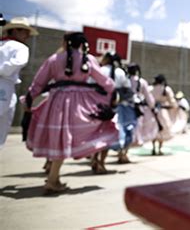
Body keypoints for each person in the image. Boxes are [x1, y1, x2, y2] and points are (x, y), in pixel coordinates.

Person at [24, 32, 117, 193]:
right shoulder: (88, 60)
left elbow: (39, 82)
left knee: (58, 138)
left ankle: (53, 178)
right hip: (79, 105)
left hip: (56, 101)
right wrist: (113, 94)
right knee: (70, 137)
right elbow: (104, 81)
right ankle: (53, 179)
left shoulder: (54, 59)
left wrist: (29, 98)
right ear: (82, 44)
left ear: (65, 42)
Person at [0, 16, 38, 149]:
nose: (28, 35)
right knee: (2, 125)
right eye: (25, 31)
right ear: (15, 31)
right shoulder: (20, 47)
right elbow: (18, 62)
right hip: (4, 85)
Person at [100, 52, 137, 164]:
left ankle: (96, 160)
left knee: (99, 134)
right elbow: (128, 91)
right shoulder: (120, 72)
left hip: (99, 106)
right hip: (117, 107)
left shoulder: (100, 70)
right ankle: (103, 161)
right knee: (113, 132)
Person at [127, 62, 158, 147]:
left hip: (125, 106)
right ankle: (125, 152)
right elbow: (148, 96)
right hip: (138, 108)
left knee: (124, 126)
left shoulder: (125, 80)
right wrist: (152, 106)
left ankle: (122, 151)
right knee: (136, 126)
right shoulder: (141, 82)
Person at [149, 74, 181, 155]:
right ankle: (159, 149)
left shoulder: (151, 88)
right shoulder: (166, 89)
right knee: (163, 129)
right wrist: (175, 106)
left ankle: (153, 148)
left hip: (152, 112)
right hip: (162, 112)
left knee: (153, 129)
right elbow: (172, 101)